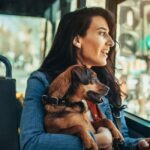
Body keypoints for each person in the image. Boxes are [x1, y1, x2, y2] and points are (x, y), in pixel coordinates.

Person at [20, 7, 150, 150]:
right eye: (102, 33)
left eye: (110, 35)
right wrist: (96, 140)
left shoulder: (105, 84)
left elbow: (121, 141)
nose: (111, 42)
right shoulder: (41, 81)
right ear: (77, 40)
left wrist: (138, 145)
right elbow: (31, 143)